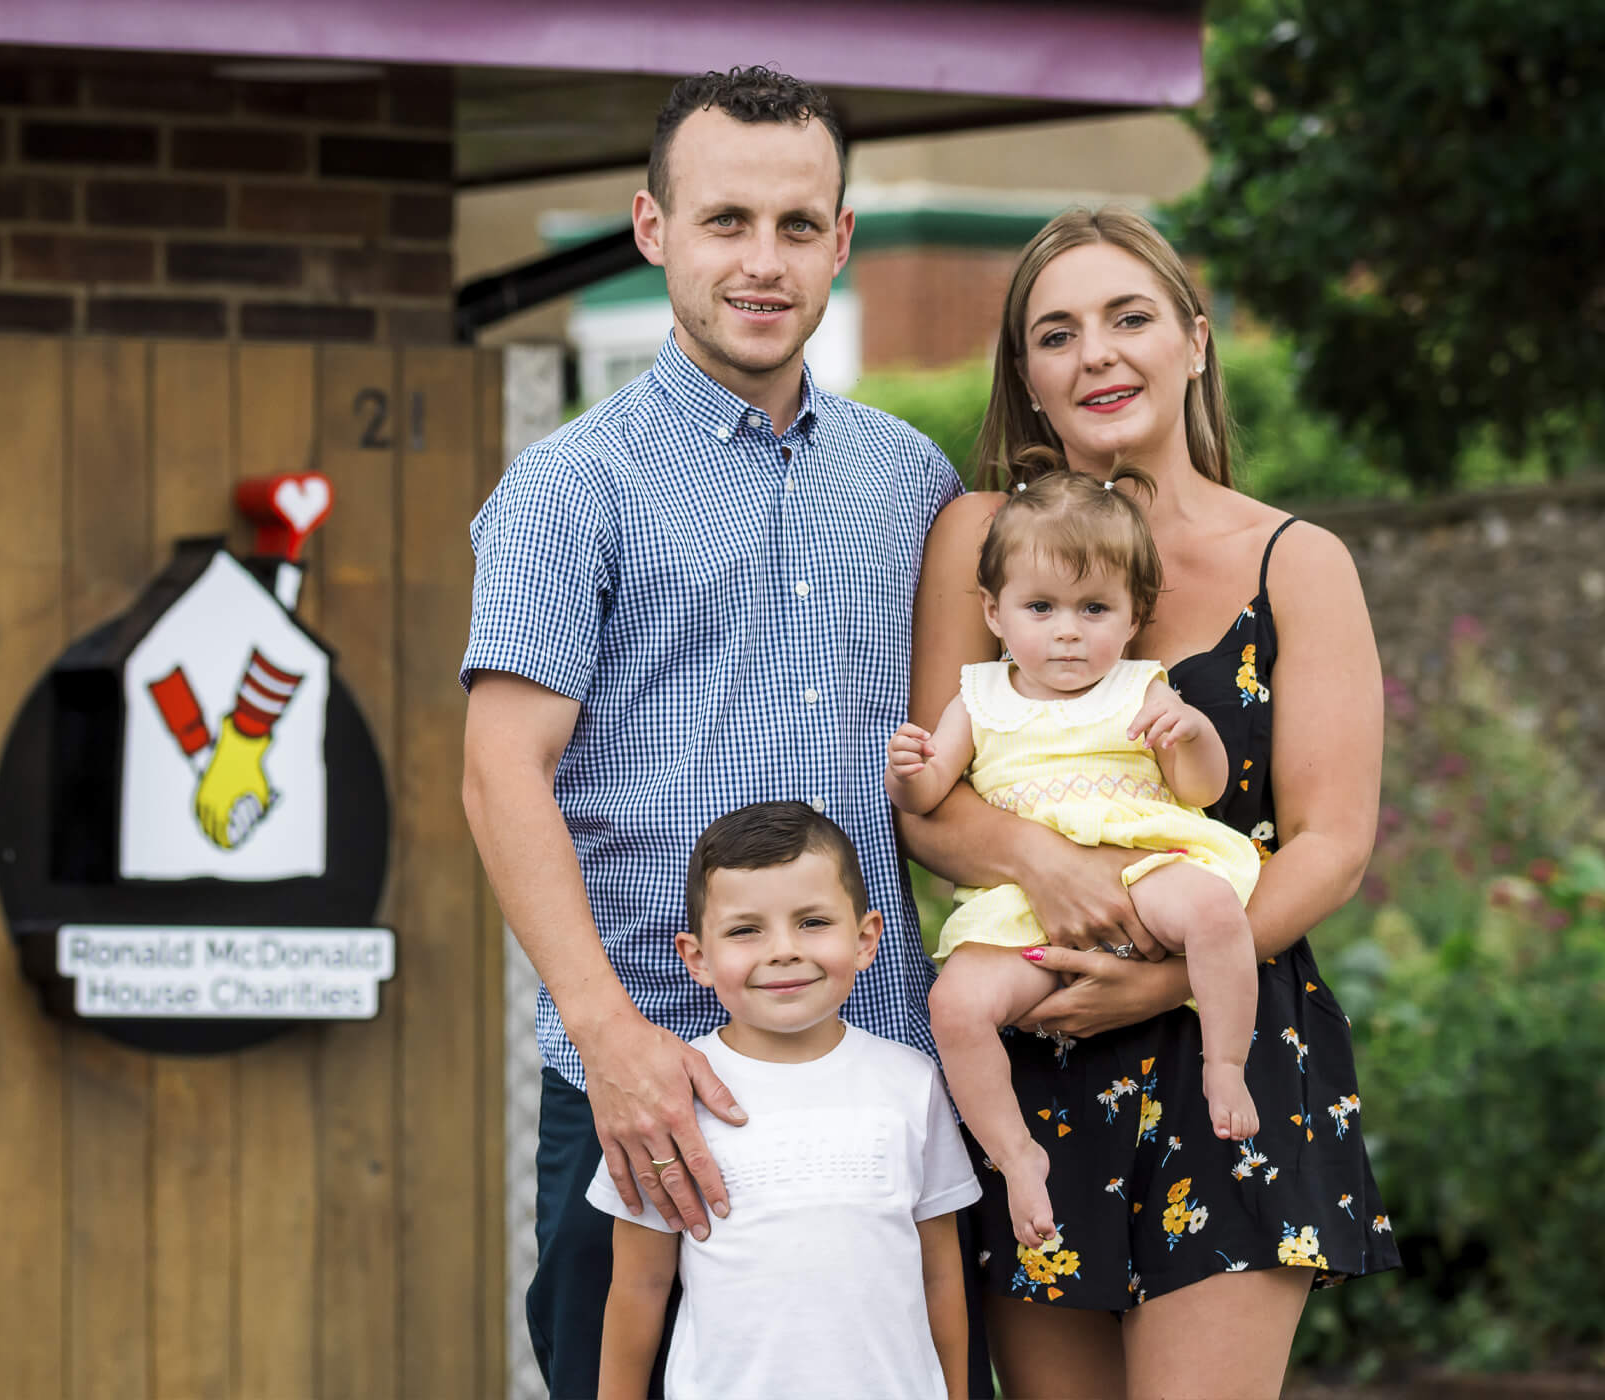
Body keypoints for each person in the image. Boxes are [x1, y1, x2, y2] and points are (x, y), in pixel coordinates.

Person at [460, 66, 969, 1396]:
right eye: (726, 221)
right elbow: (499, 772)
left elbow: (958, 765)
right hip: (650, 1082)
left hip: (874, 1089)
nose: (764, 261)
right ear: (653, 230)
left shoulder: (913, 482)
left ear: (843, 241)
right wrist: (614, 1039)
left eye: (799, 226)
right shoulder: (572, 491)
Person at [901, 207, 1400, 1399]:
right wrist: (1044, 865)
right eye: (1056, 333)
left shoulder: (1299, 561)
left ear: (1195, 341)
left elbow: (1329, 843)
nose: (1097, 355)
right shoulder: (982, 539)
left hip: (1224, 1044)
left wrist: (1169, 976)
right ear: (1025, 373)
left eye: (1128, 318)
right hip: (1037, 1045)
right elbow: (929, 798)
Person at [886, 466, 1264, 1250]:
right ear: (994, 612)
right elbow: (925, 803)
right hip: (1020, 899)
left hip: (1138, 862)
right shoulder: (980, 697)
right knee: (956, 1006)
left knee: (1214, 911)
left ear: (1133, 619)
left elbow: (1200, 792)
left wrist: (1191, 737)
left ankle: (1225, 1062)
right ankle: (1015, 1154)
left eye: (1095, 609)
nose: (1067, 631)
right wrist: (912, 771)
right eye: (1041, 608)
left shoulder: (1142, 687)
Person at [591, 802, 979, 1400]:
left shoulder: (913, 1081)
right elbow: (638, 1286)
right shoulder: (670, 1099)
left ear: (865, 938)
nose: (782, 951)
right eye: (747, 930)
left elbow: (939, 1276)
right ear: (697, 957)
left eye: (813, 922)